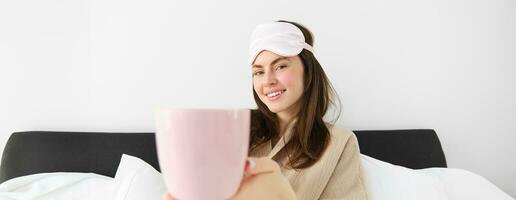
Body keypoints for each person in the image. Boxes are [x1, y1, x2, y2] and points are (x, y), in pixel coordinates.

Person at [168, 20, 368, 200]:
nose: (268, 81)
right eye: (258, 72)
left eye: (280, 66)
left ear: (308, 70)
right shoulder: (233, 131)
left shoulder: (338, 144)